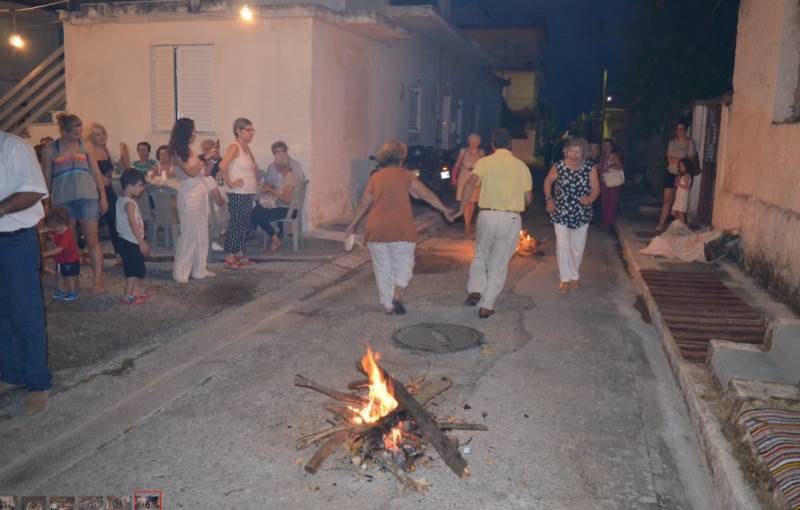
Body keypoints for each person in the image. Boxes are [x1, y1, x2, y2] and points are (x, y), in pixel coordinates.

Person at [346, 140, 453, 315]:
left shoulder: (376, 177)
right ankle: (397, 295)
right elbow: (424, 194)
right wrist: (445, 209)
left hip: (377, 228)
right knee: (404, 266)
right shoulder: (406, 176)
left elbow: (365, 202)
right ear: (402, 157)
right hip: (401, 228)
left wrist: (353, 224)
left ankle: (388, 305)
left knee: (382, 268)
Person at [448, 128, 532, 318]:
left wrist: (462, 209)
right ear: (510, 144)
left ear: (492, 144)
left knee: (480, 255)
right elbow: (528, 197)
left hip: (487, 215)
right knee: (499, 261)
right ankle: (487, 305)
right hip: (510, 217)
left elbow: (470, 183)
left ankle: (476, 289)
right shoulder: (521, 166)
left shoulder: (485, 162)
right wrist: (519, 203)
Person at [0, 130, 52, 415]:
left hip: (16, 241)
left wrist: (1, 209)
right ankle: (10, 374)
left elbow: (33, 190)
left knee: (25, 313)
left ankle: (37, 383)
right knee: (1, 314)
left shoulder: (13, 146)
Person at [41, 113, 109, 293]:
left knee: (92, 239)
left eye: (80, 132)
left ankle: (98, 279)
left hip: (88, 198)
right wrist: (46, 205)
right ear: (63, 131)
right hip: (63, 201)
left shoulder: (86, 146)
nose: (78, 136)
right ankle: (73, 277)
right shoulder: (49, 150)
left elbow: (96, 173)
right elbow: (46, 180)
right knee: (68, 243)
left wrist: (103, 196)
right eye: (74, 133)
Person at [544, 137, 601, 293]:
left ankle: (574, 275)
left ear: (583, 153)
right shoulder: (559, 166)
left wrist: (589, 198)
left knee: (577, 247)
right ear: (565, 151)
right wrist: (549, 200)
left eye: (578, 151)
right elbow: (548, 182)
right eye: (571, 151)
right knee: (562, 246)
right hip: (561, 211)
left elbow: (596, 188)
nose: (574, 154)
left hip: (582, 211)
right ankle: (565, 279)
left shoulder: (590, 167)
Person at [169, 118, 214, 283]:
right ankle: (181, 272)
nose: (195, 133)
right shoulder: (176, 150)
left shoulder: (190, 149)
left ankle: (199, 269)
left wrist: (209, 160)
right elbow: (190, 172)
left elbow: (202, 172)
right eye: (193, 130)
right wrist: (204, 158)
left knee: (202, 231)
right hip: (189, 191)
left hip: (199, 189)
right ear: (185, 131)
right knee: (189, 232)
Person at [219, 118, 258, 269]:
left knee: (244, 224)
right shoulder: (234, 147)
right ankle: (229, 256)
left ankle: (240, 254)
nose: (251, 133)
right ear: (238, 131)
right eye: (248, 130)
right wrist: (230, 182)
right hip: (238, 192)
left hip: (248, 191)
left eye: (252, 130)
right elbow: (222, 166)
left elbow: (252, 166)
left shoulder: (246, 148)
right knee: (237, 223)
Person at [251, 146, 302, 252]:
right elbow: (285, 194)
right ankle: (271, 236)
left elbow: (287, 200)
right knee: (257, 210)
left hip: (289, 211)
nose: (275, 167)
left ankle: (275, 239)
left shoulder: (290, 178)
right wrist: (272, 189)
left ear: (280, 167)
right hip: (288, 208)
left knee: (257, 213)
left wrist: (272, 191)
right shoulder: (290, 175)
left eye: (276, 166)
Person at [85, 122, 123, 264]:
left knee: (114, 222)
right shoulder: (89, 151)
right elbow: (91, 173)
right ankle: (85, 253)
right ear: (91, 137)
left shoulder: (106, 151)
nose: (101, 137)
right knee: (91, 225)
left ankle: (119, 255)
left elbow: (110, 171)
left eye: (102, 133)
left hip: (108, 190)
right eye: (97, 134)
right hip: (93, 192)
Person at [116, 169, 150, 304]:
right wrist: (141, 242)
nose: (142, 189)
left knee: (136, 267)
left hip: (127, 240)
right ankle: (127, 295)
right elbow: (132, 223)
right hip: (131, 241)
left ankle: (137, 290)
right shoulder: (129, 203)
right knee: (132, 270)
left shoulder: (122, 200)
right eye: (140, 186)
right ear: (130, 186)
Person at [657, 121, 696, 232]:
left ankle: (683, 226)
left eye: (682, 129)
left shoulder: (690, 142)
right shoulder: (672, 143)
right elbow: (669, 160)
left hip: (683, 176)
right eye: (678, 129)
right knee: (667, 200)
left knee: (681, 201)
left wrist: (676, 159)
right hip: (671, 173)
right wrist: (681, 159)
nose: (680, 131)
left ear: (685, 130)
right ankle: (661, 223)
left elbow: (689, 160)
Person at [43, 207, 80, 302]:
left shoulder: (66, 234)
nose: (54, 229)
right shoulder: (58, 230)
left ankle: (72, 293)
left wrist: (44, 254)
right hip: (60, 260)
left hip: (69, 260)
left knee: (70, 277)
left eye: (55, 227)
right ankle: (61, 290)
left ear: (62, 223)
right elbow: (50, 230)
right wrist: (46, 231)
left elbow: (59, 249)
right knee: (60, 275)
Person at [453, 133, 485, 234]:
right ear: (469, 141)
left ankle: (469, 223)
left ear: (479, 142)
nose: (474, 143)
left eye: (476, 141)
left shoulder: (481, 152)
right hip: (465, 177)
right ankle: (467, 225)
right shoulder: (463, 151)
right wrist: (454, 177)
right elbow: (457, 164)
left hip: (476, 178)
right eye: (472, 141)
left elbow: (484, 165)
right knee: (465, 202)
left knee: (472, 202)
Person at [599, 138, 624, 229]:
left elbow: (620, 166)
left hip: (613, 182)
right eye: (604, 145)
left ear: (612, 147)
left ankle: (608, 222)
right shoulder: (602, 156)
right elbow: (600, 168)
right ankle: (605, 220)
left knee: (612, 202)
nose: (606, 147)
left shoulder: (614, 156)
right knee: (604, 202)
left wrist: (610, 166)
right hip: (604, 181)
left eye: (608, 145)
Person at [671, 158, 692, 225]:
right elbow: (676, 185)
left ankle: (683, 226)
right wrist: (677, 181)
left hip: (682, 196)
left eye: (682, 166)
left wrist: (679, 184)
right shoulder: (681, 176)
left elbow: (687, 187)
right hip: (679, 195)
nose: (681, 168)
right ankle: (683, 224)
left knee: (680, 212)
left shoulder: (686, 176)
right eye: (680, 166)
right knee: (673, 212)